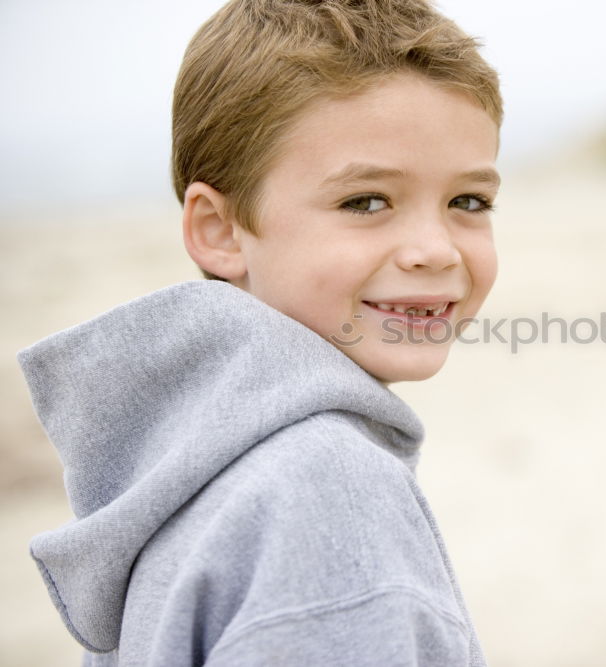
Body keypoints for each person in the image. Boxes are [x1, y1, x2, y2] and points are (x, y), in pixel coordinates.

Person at [15, 0, 503, 664]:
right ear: (219, 230)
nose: (436, 249)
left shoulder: (178, 458)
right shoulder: (328, 493)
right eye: (365, 201)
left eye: (467, 202)